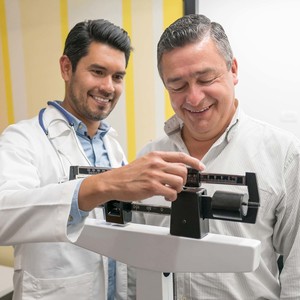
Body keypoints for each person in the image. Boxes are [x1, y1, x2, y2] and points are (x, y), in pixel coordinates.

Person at [0, 19, 204, 300]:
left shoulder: (112, 147)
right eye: (97, 71)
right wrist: (102, 185)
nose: (108, 87)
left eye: (118, 76)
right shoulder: (23, 139)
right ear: (66, 68)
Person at [130, 14, 300, 299]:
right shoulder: (149, 158)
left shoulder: (282, 154)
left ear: (232, 69)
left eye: (206, 78)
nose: (194, 98)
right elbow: (134, 259)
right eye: (178, 86)